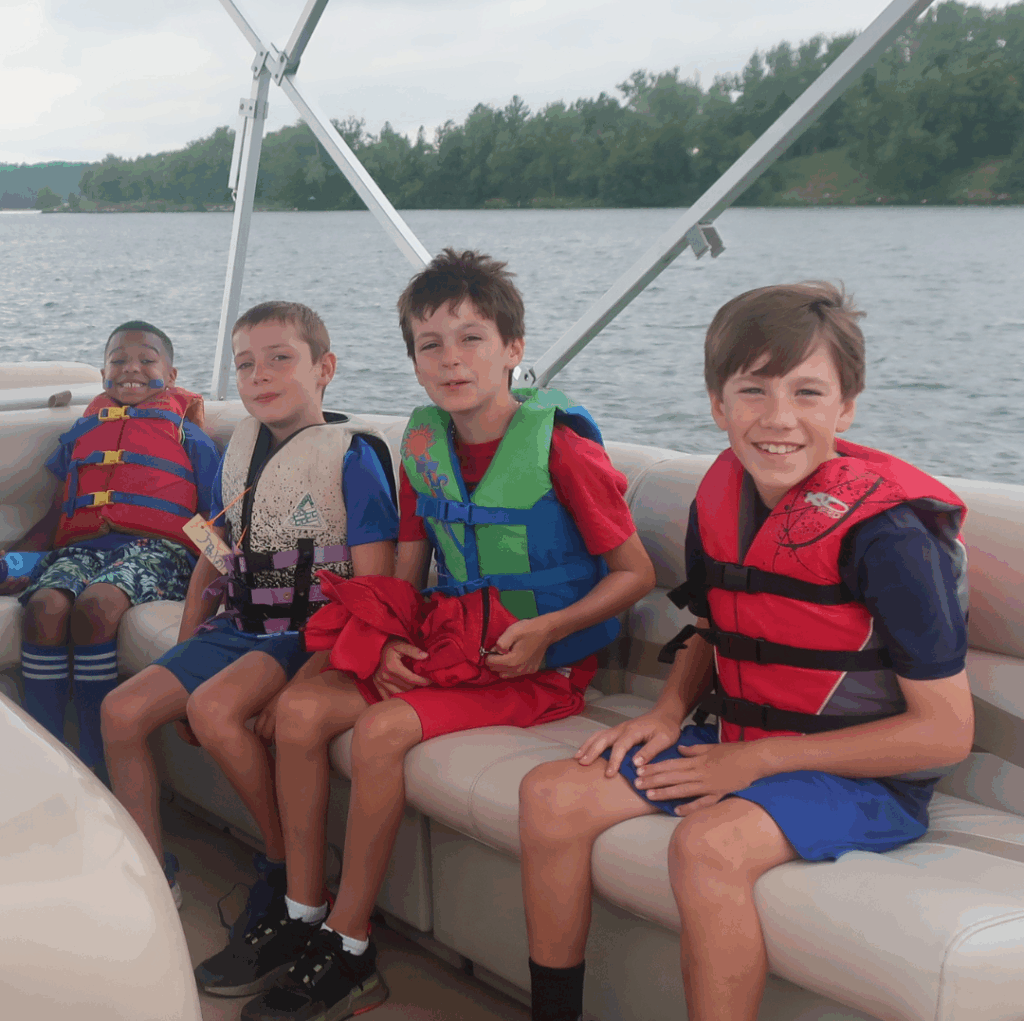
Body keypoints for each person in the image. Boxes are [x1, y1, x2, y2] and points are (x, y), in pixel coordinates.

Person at [198, 249, 655, 1021]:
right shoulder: (421, 448)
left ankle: (350, 945)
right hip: (455, 642)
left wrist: (550, 628)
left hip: (539, 665)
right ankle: (304, 916)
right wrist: (381, 642)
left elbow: (634, 573)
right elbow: (406, 574)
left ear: (513, 350)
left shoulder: (564, 450)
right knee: (303, 711)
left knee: (378, 734)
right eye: (430, 345)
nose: (451, 360)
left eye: (472, 339)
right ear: (412, 360)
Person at [518, 282, 975, 1021]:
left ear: (846, 407)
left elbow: (945, 732)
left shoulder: (889, 540)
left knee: (709, 845)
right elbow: (714, 627)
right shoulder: (721, 497)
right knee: (551, 794)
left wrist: (758, 762)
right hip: (741, 739)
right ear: (716, 403)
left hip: (863, 780)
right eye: (753, 390)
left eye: (807, 392)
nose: (779, 418)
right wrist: (669, 713)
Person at [101, 301, 398, 911]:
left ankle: (281, 862)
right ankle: (155, 877)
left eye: (279, 359)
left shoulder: (353, 457)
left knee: (212, 709)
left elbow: (374, 588)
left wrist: (319, 673)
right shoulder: (242, 447)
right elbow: (213, 553)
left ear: (325, 368)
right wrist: (185, 647)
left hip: (308, 635)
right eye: (244, 365)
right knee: (120, 712)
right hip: (239, 626)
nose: (259, 375)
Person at [0, 321, 219, 774]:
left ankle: (96, 762)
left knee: (97, 606)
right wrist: (13, 558)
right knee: (43, 608)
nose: (130, 369)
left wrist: (224, 582)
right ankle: (50, 758)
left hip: (159, 553)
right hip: (84, 551)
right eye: (118, 360)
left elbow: (212, 516)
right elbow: (60, 513)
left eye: (146, 359)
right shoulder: (85, 433)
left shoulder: (188, 435)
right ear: (102, 374)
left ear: (172, 375)